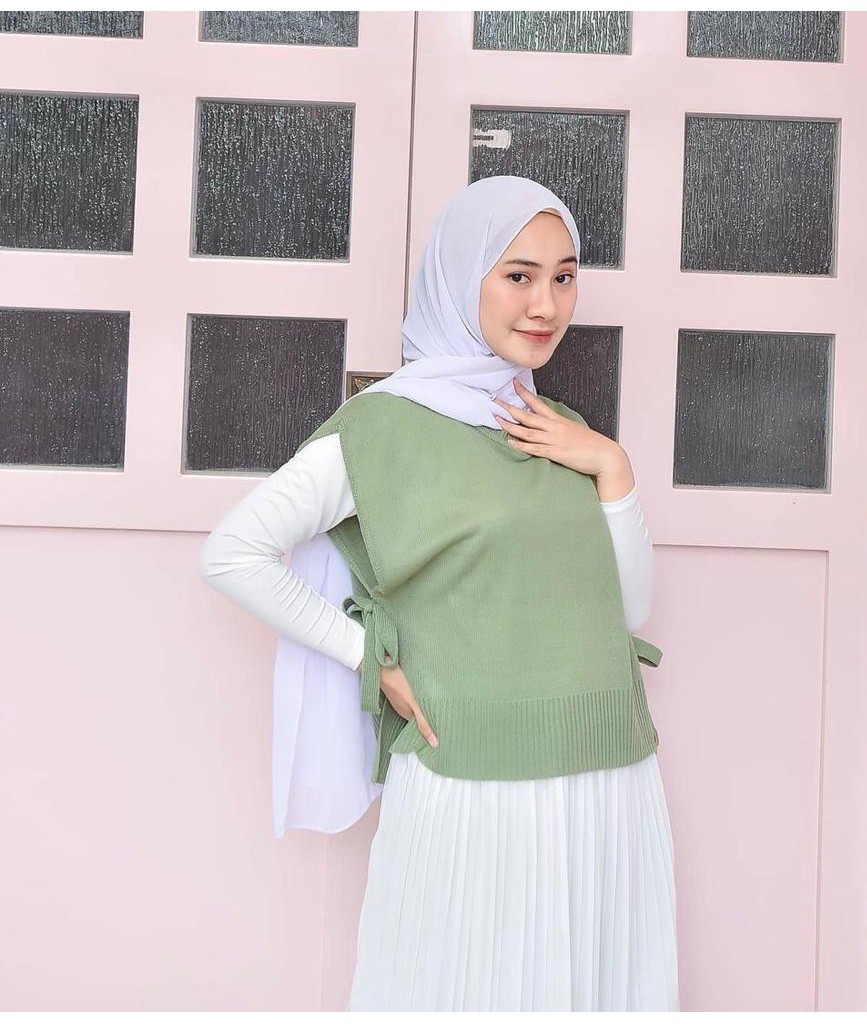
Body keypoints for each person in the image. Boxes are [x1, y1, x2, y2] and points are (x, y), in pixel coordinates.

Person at [198, 175, 678, 1011]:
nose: (546, 305)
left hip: (608, 769)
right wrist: (368, 658)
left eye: (564, 277)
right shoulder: (383, 428)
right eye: (518, 275)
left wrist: (613, 467)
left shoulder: (558, 425)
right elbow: (234, 552)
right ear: (461, 277)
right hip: (472, 776)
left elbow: (626, 611)